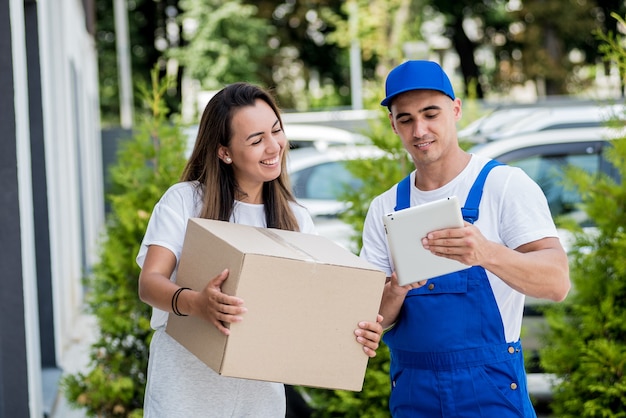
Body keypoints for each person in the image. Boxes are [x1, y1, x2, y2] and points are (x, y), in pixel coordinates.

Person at [136, 82, 384, 418]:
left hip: (259, 400)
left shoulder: (296, 219)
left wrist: (354, 334)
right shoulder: (184, 201)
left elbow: (307, 314)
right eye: (256, 140)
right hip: (185, 391)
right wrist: (197, 302)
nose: (274, 147)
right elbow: (150, 282)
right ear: (224, 152)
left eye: (276, 131)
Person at [360, 60, 571, 417]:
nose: (419, 130)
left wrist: (487, 253)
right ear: (393, 124)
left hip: (491, 390)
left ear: (455, 110)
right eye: (406, 118)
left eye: (431, 114)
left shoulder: (503, 185)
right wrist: (395, 289)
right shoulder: (384, 209)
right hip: (414, 392)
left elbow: (557, 283)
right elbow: (370, 319)